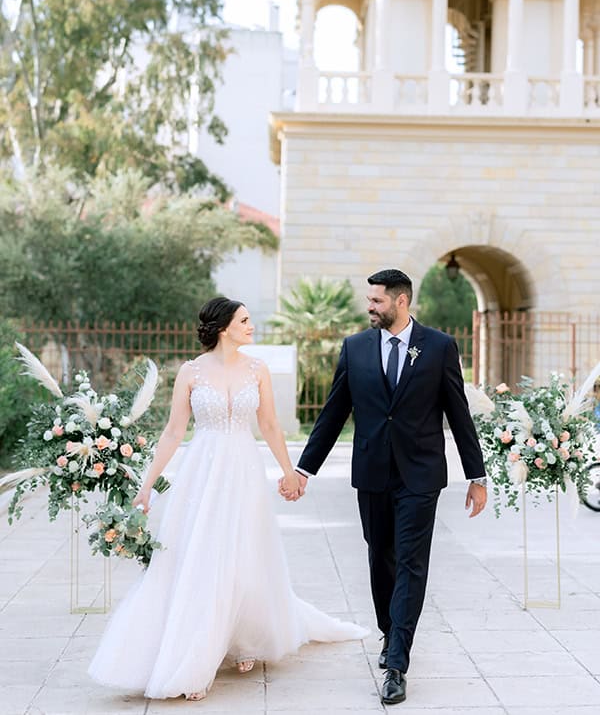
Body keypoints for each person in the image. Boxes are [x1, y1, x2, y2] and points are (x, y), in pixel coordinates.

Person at [88, 296, 368, 701]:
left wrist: (290, 471)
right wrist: (147, 484)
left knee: (244, 553)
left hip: (244, 471)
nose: (252, 326)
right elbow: (173, 432)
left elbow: (269, 424)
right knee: (201, 554)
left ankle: (244, 639)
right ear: (223, 327)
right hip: (202, 472)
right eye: (245, 320)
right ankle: (195, 656)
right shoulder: (190, 372)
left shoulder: (258, 370)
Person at [280, 269, 487, 706]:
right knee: (381, 555)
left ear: (401, 301)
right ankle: (389, 631)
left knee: (411, 560)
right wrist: (304, 470)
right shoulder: (355, 348)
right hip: (372, 472)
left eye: (377, 301)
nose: (370, 307)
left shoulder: (439, 347)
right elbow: (333, 413)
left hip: (420, 475)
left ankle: (397, 662)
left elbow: (458, 412)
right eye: (369, 300)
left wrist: (477, 476)